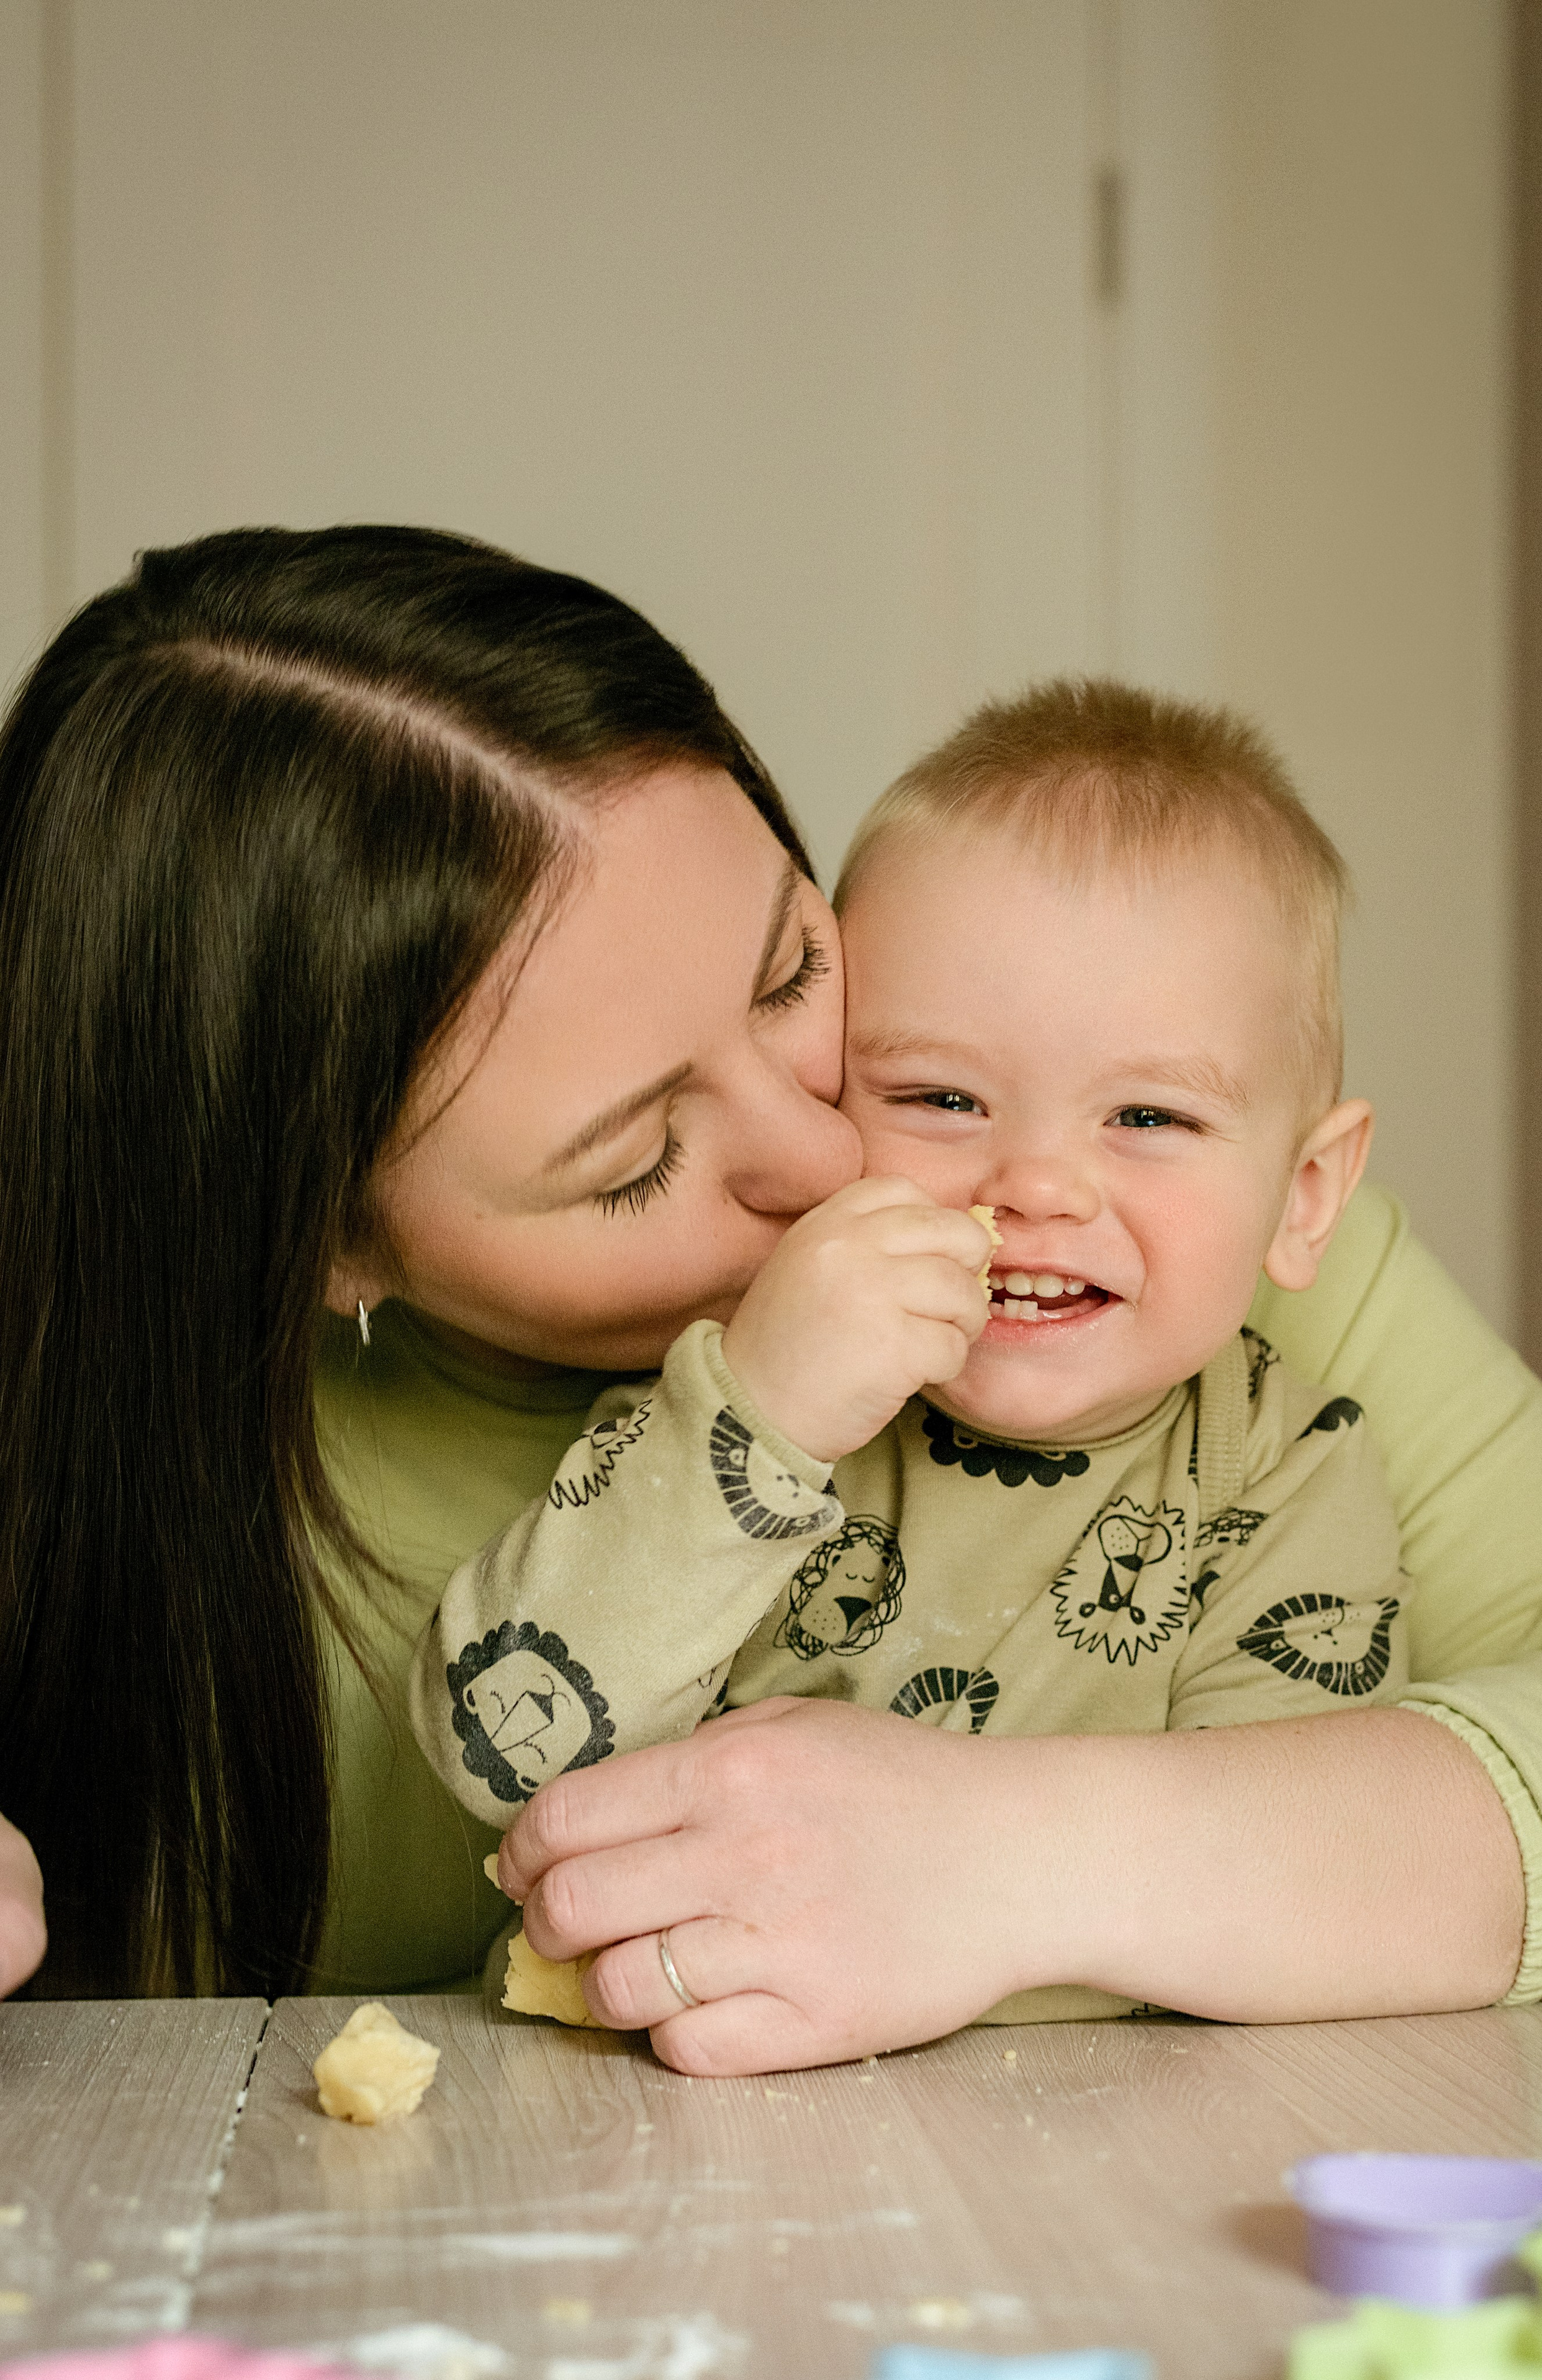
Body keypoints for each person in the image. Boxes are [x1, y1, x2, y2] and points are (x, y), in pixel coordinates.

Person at [0, 526, 1542, 2060]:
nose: (833, 1155)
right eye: (636, 1159)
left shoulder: (1189, 1256)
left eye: (792, 977)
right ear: (322, 1241)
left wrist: (1022, 1857)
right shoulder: (83, 1434)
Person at [412, 680, 1418, 2039]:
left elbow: (1285, 1902)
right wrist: (760, 1415)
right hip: (669, 2088)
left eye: (1146, 1117)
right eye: (942, 1099)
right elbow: (500, 1747)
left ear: (1302, 1197)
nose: (1036, 1183)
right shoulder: (751, 1391)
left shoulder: (1286, 1480)